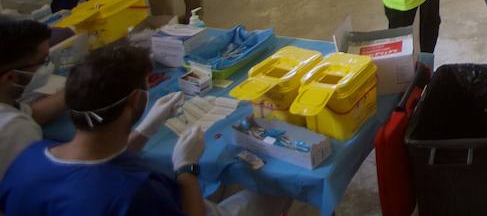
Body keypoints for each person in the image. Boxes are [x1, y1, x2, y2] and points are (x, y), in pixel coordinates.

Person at [0, 42, 285, 215]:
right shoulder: (134, 192)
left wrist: (146, 130)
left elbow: (101, 160)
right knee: (274, 189)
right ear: (137, 99)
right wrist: (186, 170)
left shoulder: (28, 159)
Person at [0, 17, 67, 177]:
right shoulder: (15, 131)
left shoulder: (7, 105)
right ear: (11, 77)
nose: (48, 67)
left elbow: (30, 114)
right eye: (43, 61)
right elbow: (41, 188)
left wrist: (75, 89)